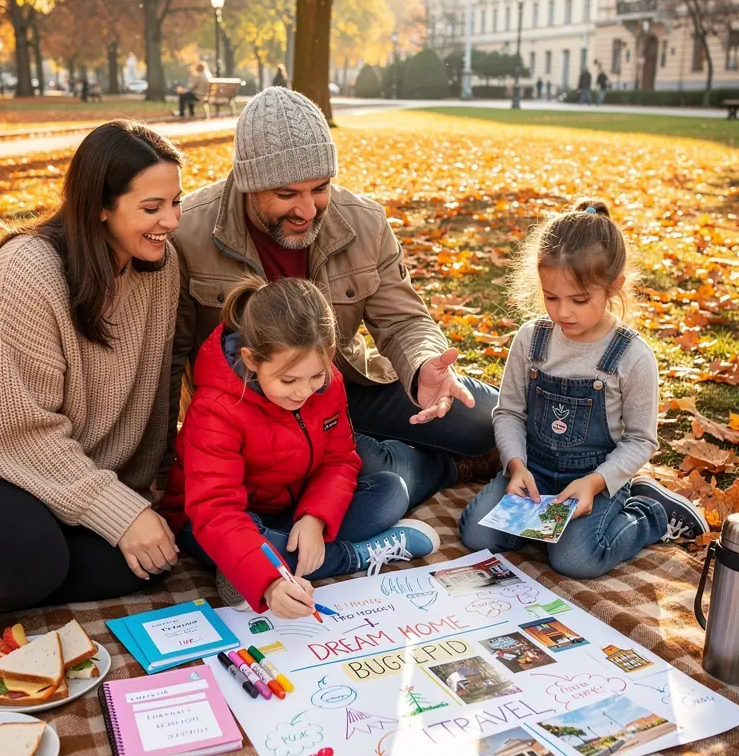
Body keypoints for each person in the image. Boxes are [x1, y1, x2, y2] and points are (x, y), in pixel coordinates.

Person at [167, 86, 498, 515]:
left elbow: (403, 320)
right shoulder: (188, 232)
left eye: (320, 188)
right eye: (287, 194)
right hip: (247, 414)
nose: (307, 210)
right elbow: (167, 360)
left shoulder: (364, 221)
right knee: (372, 471)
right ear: (249, 185)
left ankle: (386, 449)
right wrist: (161, 467)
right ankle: (433, 467)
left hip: (343, 388)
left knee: (487, 419)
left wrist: (422, 367)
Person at [0, 121, 184, 637]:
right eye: (152, 208)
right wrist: (117, 511)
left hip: (56, 465)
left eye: (177, 202)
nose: (171, 221)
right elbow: (20, 430)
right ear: (99, 206)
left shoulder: (160, 267)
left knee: (133, 565)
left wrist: (142, 496)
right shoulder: (29, 270)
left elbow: (155, 395)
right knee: (27, 559)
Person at [460, 200, 707, 578]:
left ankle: (649, 514)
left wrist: (596, 483)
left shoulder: (632, 356)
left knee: (576, 560)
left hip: (596, 480)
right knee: (477, 536)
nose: (563, 313)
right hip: (533, 472)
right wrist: (515, 465)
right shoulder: (531, 339)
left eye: (579, 300)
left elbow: (642, 440)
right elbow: (509, 412)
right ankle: (547, 528)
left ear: (614, 287)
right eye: (551, 297)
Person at [162, 277, 439, 612]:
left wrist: (315, 518)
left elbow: (339, 460)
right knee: (251, 546)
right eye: (288, 380)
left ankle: (261, 568)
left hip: (293, 509)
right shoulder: (217, 408)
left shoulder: (329, 384)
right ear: (251, 360)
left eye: (316, 376)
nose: (304, 392)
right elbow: (215, 511)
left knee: (390, 489)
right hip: (219, 521)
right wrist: (270, 581)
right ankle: (355, 556)